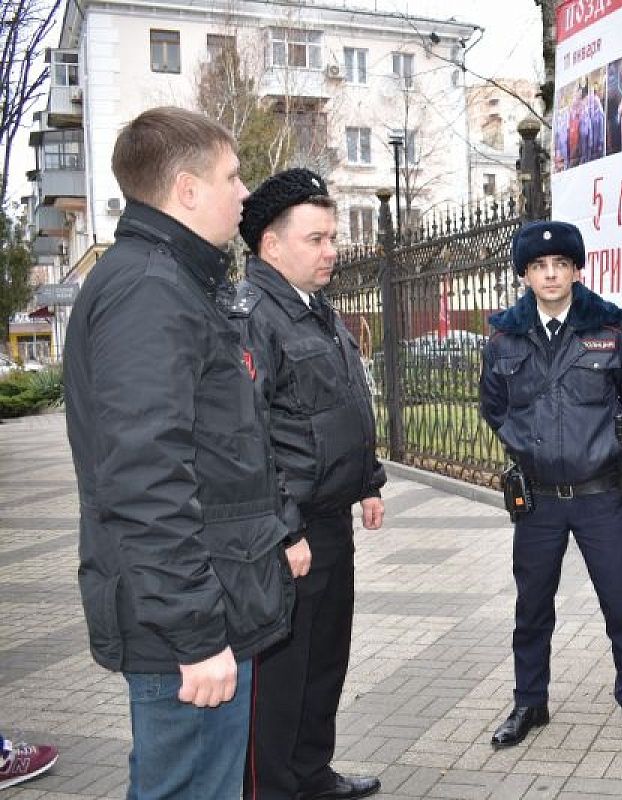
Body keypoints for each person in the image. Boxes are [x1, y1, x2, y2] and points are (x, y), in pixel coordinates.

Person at [64, 106, 295, 798]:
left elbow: (219, 451)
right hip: (187, 621)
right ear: (188, 190)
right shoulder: (150, 290)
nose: (244, 192)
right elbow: (146, 479)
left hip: (206, 598)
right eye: (232, 175)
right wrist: (196, 635)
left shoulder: (174, 281)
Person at [479, 221, 622, 751]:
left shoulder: (611, 330)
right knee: (532, 607)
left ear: (577, 269)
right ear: (525, 276)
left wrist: (613, 440)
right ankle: (528, 702)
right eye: (540, 266)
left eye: (561, 264)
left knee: (621, 604)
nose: (551, 273)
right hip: (537, 499)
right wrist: (526, 445)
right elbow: (493, 407)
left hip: (599, 495)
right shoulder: (505, 338)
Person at [231, 169, 387, 800]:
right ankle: (272, 787)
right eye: (317, 239)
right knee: (283, 674)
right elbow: (245, 436)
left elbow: (344, 401)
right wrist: (283, 527)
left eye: (332, 238)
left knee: (325, 661)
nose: (332, 251)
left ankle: (311, 773)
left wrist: (369, 479)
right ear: (272, 245)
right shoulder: (252, 315)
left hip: (330, 520)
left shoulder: (314, 310)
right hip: (288, 533)